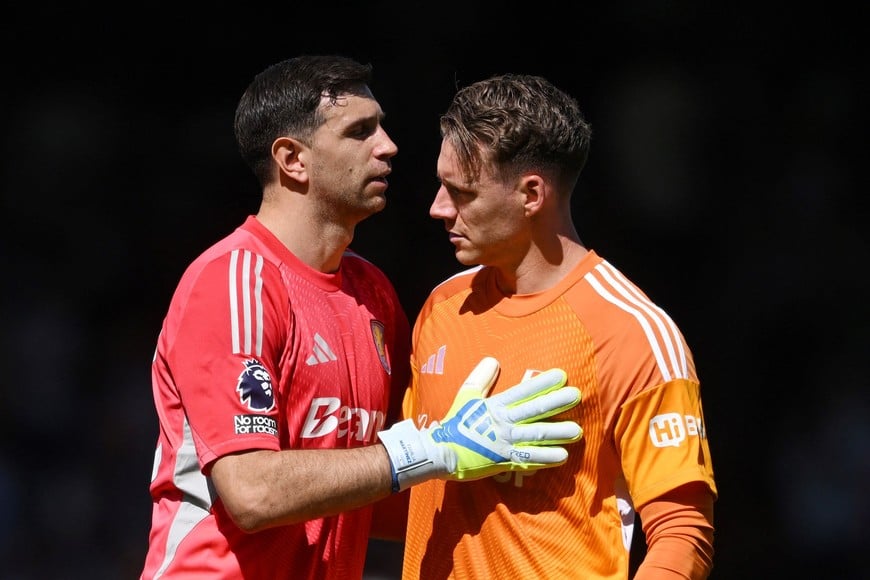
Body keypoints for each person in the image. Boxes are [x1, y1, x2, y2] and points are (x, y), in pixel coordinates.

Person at [140, 55, 583, 579]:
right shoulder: (233, 282)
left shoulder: (372, 293)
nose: (389, 145)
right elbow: (252, 492)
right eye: (359, 131)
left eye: (382, 126)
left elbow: (386, 489)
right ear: (292, 159)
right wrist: (432, 447)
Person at [399, 73, 718, 579]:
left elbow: (682, 533)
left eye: (461, 192)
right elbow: (419, 502)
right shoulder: (442, 306)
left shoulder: (632, 332)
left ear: (531, 194)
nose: (436, 208)